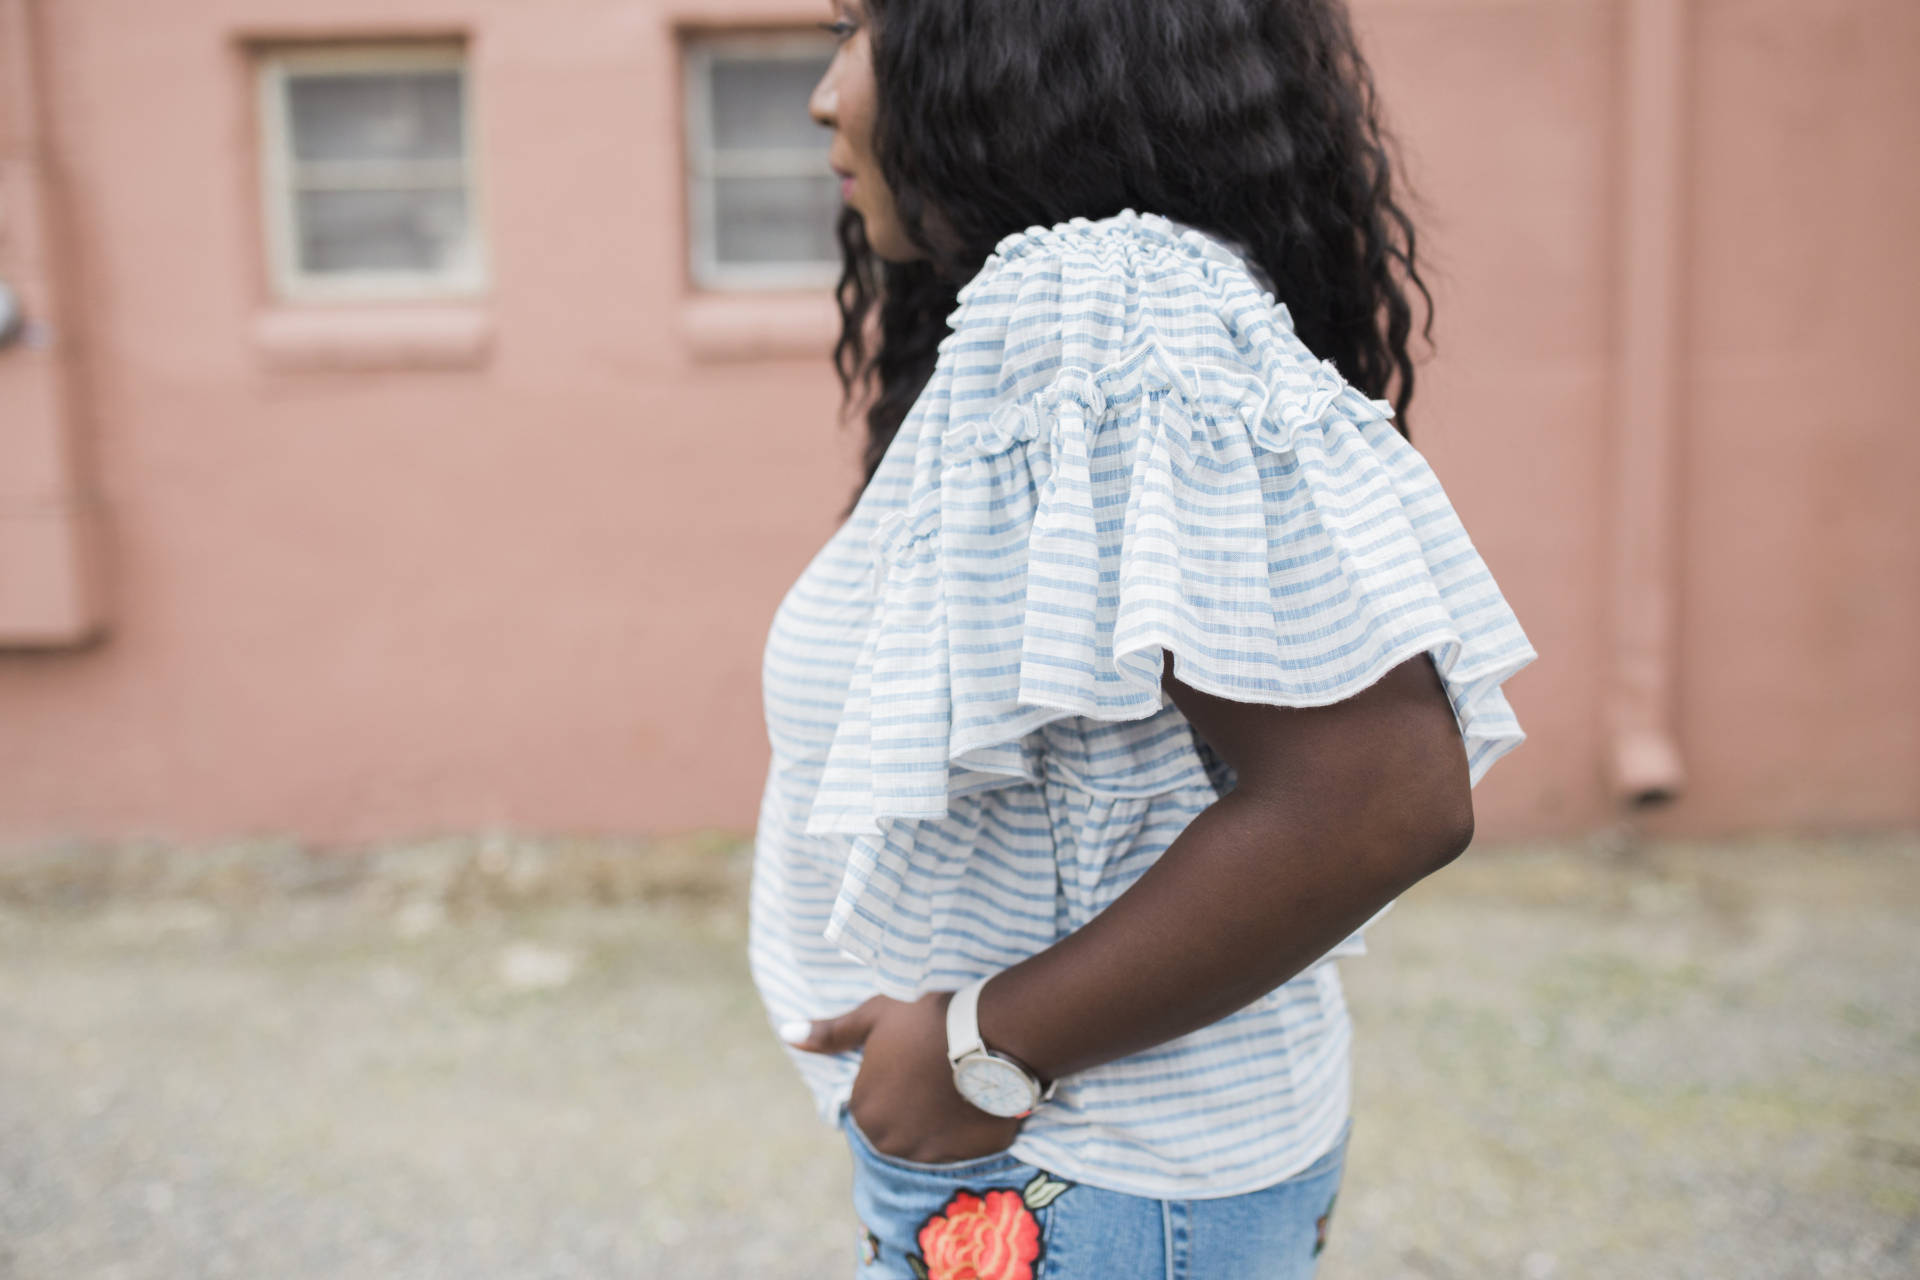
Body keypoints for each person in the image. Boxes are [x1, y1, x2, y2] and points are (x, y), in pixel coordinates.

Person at [747, 0, 1538, 1275]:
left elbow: (1380, 795)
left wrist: (971, 1046)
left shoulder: (1107, 295)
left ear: (1009, 48)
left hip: (1080, 1167)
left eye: (862, 27)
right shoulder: (1063, 309)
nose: (825, 94)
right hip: (1087, 1157)